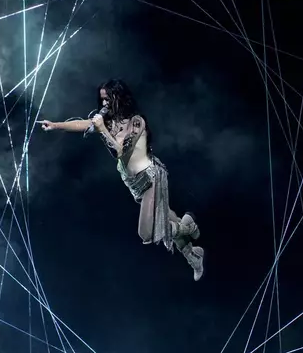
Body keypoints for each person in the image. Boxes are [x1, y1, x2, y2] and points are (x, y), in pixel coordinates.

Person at [37, 79, 204, 281]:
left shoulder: (136, 122)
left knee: (147, 232)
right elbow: (82, 123)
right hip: (134, 184)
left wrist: (102, 130)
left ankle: (189, 226)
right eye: (102, 100)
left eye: (108, 99)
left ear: (119, 97)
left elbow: (122, 153)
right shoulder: (107, 123)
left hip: (150, 178)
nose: (105, 104)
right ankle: (193, 255)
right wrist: (55, 125)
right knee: (170, 219)